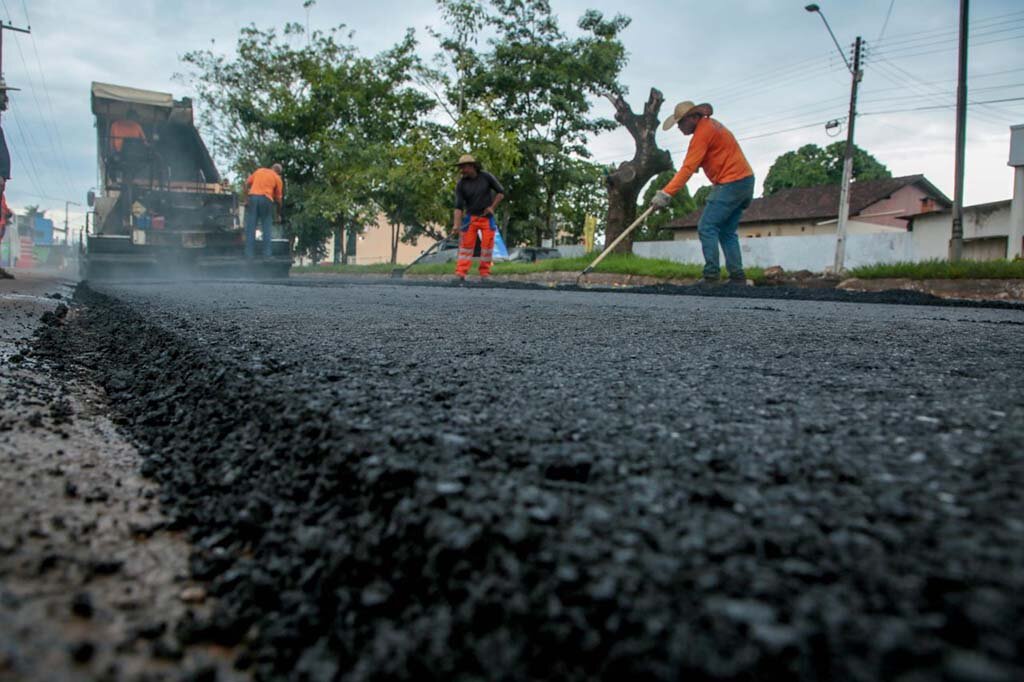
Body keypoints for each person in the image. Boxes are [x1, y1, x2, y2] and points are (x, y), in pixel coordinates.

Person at [651, 100, 754, 285]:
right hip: (746, 182)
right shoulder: (712, 127)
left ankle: (711, 276)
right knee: (727, 232)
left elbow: (688, 168)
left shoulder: (702, 133)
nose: (679, 127)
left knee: (707, 227)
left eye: (680, 123)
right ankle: (738, 278)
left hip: (731, 182)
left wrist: (665, 194)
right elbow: (702, 161)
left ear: (693, 117)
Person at [451, 154, 505, 282]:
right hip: (471, 218)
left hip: (487, 218)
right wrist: (456, 225)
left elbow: (501, 193)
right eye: (461, 167)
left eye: (464, 167)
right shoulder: (461, 184)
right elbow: (458, 207)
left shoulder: (486, 177)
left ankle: (485, 273)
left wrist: (492, 207)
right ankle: (460, 273)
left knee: (487, 247)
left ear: (472, 166)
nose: (462, 170)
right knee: (466, 247)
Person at [244, 163, 284, 259]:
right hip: (266, 200)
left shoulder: (259, 171)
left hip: (253, 198)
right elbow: (278, 199)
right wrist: (278, 214)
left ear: (272, 168)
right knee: (266, 227)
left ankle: (249, 254)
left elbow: (246, 184)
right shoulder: (277, 178)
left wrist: (246, 199)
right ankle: (267, 254)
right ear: (278, 172)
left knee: (251, 227)